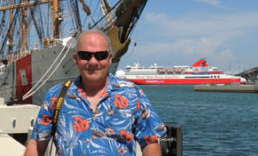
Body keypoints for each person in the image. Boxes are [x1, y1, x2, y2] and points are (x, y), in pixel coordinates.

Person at [24, 30, 166, 156]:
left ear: (110, 59)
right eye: (85, 55)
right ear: (76, 59)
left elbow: (150, 142)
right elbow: (37, 145)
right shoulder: (56, 96)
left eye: (100, 55)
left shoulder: (132, 94)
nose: (93, 62)